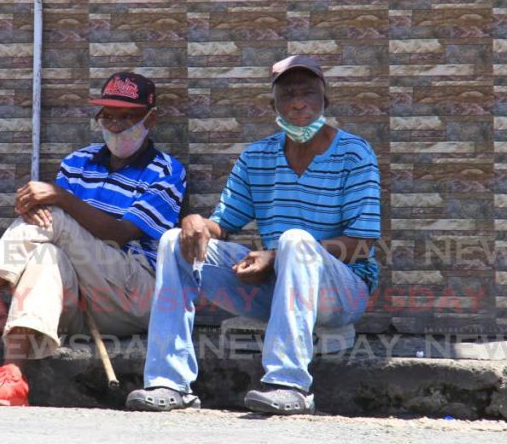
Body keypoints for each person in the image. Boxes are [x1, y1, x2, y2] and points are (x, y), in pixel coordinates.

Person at [0, 72, 186, 407]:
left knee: (57, 218)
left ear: (152, 118)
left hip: (136, 296)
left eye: (129, 116)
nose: (117, 125)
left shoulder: (166, 170)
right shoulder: (78, 163)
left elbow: (120, 234)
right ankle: (13, 377)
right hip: (82, 302)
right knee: (44, 254)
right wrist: (30, 207)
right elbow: (47, 220)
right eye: (109, 115)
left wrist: (59, 198)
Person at [126, 55, 380, 415]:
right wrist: (196, 222)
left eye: (308, 94)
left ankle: (289, 384)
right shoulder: (257, 156)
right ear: (272, 105)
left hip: (343, 292)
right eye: (288, 95)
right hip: (277, 289)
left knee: (294, 240)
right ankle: (169, 381)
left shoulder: (355, 153)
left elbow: (363, 244)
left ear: (327, 100)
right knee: (173, 243)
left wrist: (274, 256)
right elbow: (224, 224)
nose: (298, 103)